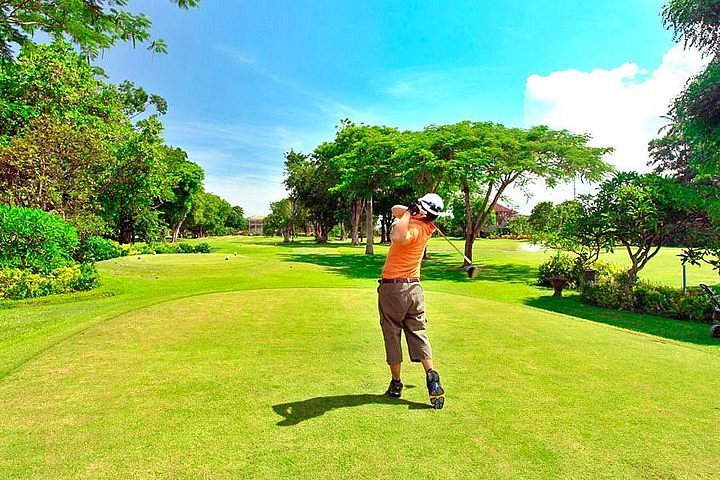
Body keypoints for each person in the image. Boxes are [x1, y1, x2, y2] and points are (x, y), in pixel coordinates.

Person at [377, 193, 445, 409]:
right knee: (418, 332)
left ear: (423, 210)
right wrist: (410, 209)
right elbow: (394, 210)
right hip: (415, 289)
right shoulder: (427, 226)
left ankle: (396, 383)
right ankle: (432, 375)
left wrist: (409, 212)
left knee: (392, 333)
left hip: (394, 288)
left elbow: (398, 236)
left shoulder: (413, 228)